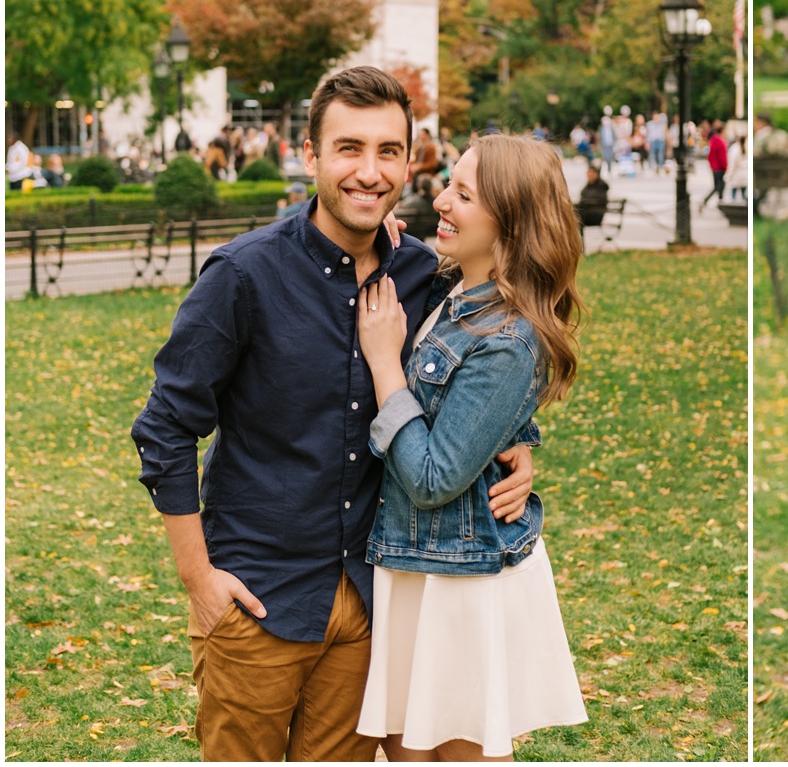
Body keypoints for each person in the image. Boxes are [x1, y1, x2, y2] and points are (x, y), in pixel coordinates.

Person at [131, 66, 536, 762]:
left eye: (388, 152)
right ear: (310, 156)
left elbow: (481, 370)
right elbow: (166, 427)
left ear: (411, 162)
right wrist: (198, 580)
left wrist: (521, 442)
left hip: (372, 600)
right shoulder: (243, 274)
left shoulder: (422, 272)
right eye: (349, 149)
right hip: (258, 596)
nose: (369, 173)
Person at [354, 133, 588, 760]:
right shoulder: (450, 290)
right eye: (447, 186)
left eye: (463, 194)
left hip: (458, 578)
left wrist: (385, 367)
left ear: (511, 220)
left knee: (448, 747)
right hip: (416, 563)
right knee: (404, 747)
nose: (442, 202)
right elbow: (475, 423)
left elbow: (434, 477)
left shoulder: (509, 340)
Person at [698, 124, 728, 212]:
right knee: (719, 186)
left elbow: (710, 156)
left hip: (715, 167)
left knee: (718, 186)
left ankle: (717, 201)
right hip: (720, 168)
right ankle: (713, 201)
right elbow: (722, 157)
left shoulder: (713, 141)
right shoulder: (719, 142)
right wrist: (725, 167)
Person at [576, 163, 610, 228]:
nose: (589, 174)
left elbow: (597, 200)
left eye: (592, 173)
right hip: (586, 213)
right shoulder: (589, 185)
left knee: (576, 217)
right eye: (588, 172)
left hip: (595, 215)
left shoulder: (601, 186)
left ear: (597, 174)